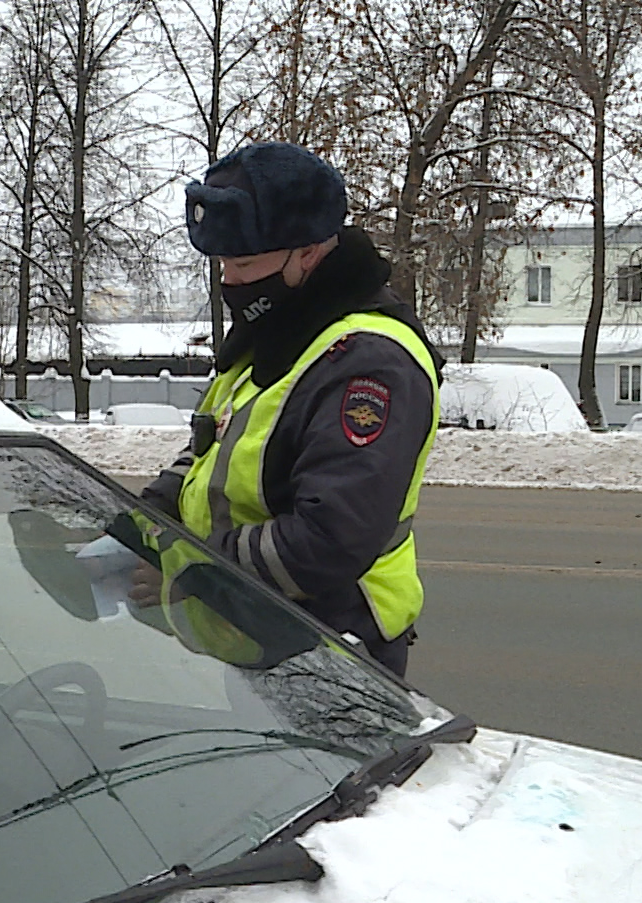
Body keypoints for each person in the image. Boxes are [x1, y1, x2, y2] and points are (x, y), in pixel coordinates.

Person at [133, 142, 442, 678]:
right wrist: (130, 531)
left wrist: (185, 567)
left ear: (309, 252)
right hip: (252, 634)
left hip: (332, 653)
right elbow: (203, 460)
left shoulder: (367, 361)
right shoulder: (275, 336)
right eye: (222, 263)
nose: (229, 279)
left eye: (245, 262)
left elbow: (328, 540)